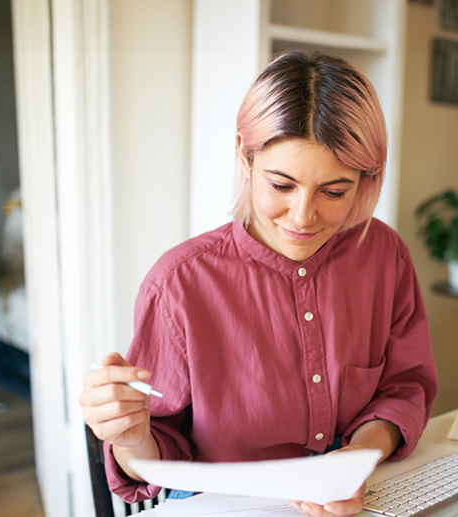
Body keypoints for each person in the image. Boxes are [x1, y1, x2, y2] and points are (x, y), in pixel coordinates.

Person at [79, 50, 438, 517]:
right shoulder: (179, 284)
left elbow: (405, 388)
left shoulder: (385, 255)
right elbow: (156, 455)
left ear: (365, 180)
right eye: (281, 185)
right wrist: (131, 438)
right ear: (245, 158)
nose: (303, 217)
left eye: (334, 192)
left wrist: (355, 460)